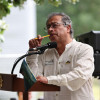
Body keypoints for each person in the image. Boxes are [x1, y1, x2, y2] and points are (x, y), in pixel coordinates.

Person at [26, 12, 95, 100]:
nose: (50, 29)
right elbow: (34, 78)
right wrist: (33, 51)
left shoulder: (84, 49)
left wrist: (48, 80)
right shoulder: (45, 53)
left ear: (68, 28)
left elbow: (79, 76)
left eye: (54, 25)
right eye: (48, 27)